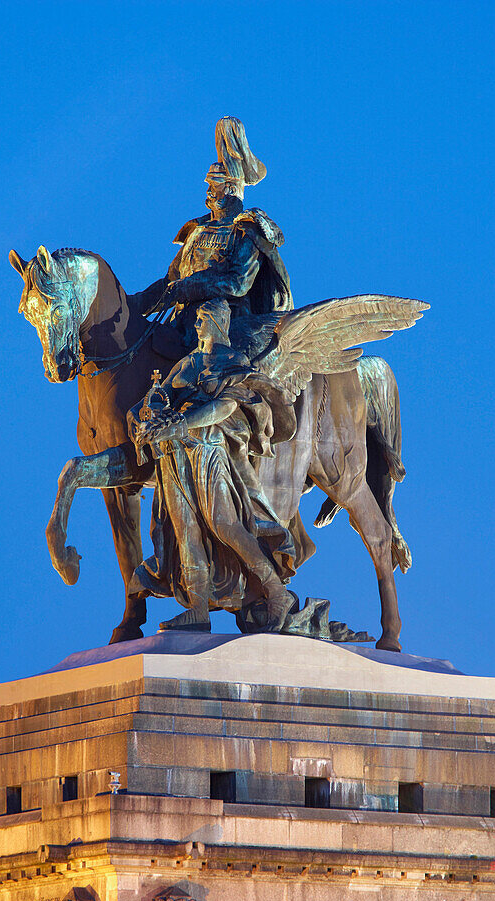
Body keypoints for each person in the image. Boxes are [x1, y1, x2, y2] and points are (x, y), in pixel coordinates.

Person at [127, 299, 296, 633]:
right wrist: (147, 413)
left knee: (226, 526)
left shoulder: (233, 360)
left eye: (203, 318)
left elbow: (225, 405)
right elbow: (159, 398)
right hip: (174, 455)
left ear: (219, 322)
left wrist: (181, 422)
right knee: (185, 532)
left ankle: (276, 592)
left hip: (208, 450)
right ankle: (198, 610)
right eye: (198, 318)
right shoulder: (184, 363)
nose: (197, 324)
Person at [136, 117, 292, 344]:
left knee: (210, 361)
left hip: (226, 327)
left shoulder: (246, 231)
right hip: (182, 323)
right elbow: (170, 282)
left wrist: (189, 288)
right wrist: (129, 306)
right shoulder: (198, 229)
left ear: (229, 189)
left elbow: (238, 284)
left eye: (213, 186)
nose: (208, 192)